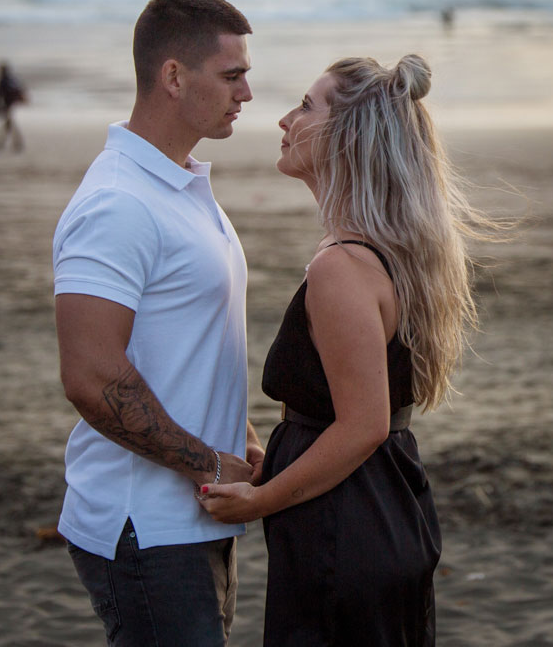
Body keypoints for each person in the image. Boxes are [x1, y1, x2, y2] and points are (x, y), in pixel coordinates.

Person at [201, 54, 495, 647]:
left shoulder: (342, 266)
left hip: (347, 521)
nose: (284, 120)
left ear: (348, 136)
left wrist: (260, 499)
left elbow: (362, 426)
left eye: (307, 106)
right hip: (380, 504)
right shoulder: (387, 253)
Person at [53, 0, 262, 646]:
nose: (247, 94)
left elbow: (185, 340)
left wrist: (242, 433)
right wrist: (208, 462)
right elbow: (91, 375)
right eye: (232, 76)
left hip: (193, 517)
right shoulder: (119, 202)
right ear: (174, 75)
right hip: (144, 526)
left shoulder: (181, 182)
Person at [0, 60, 26, 152]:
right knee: (8, 123)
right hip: (11, 103)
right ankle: (4, 142)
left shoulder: (3, 80)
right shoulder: (11, 79)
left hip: (6, 104)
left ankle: (6, 142)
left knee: (9, 123)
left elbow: (0, 94)